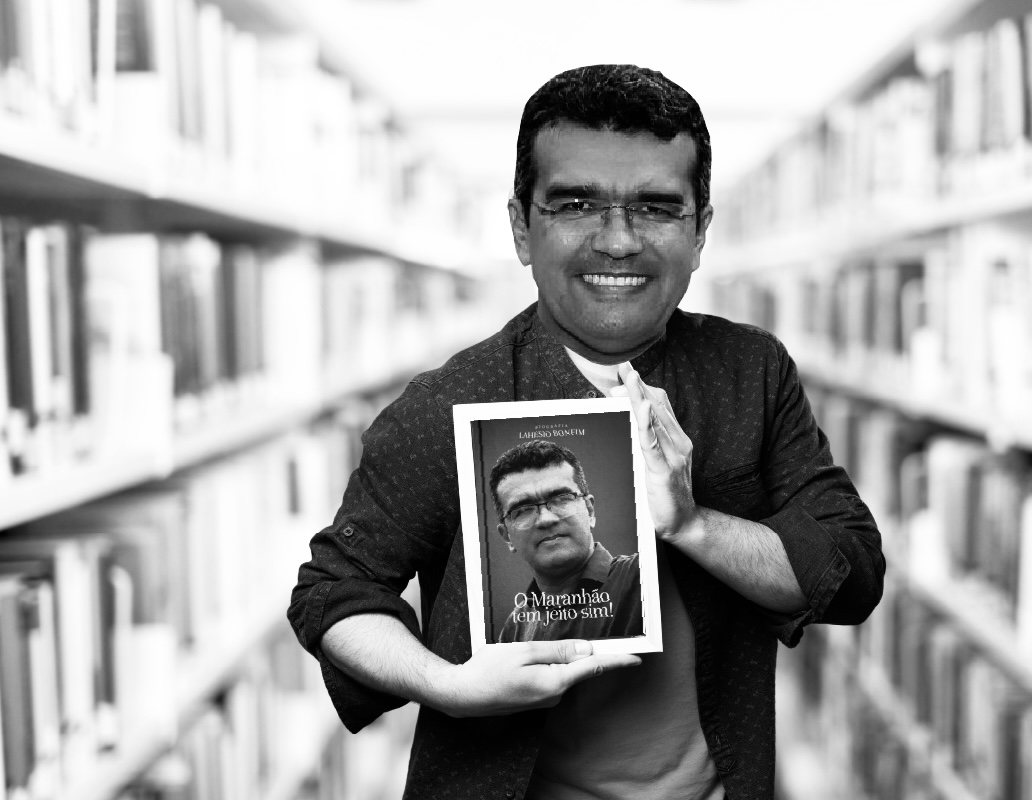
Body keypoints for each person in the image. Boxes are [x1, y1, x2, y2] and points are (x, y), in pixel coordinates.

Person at [288, 63, 884, 799]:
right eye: (576, 204)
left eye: (657, 208)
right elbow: (334, 591)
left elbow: (850, 571)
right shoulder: (448, 402)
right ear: (521, 228)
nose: (619, 241)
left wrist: (694, 525)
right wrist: (450, 686)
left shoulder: (749, 371)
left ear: (701, 230)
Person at [489, 439, 644, 643]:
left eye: (561, 499)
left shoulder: (644, 576)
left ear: (590, 511)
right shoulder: (514, 629)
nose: (546, 519)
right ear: (507, 537)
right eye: (523, 510)